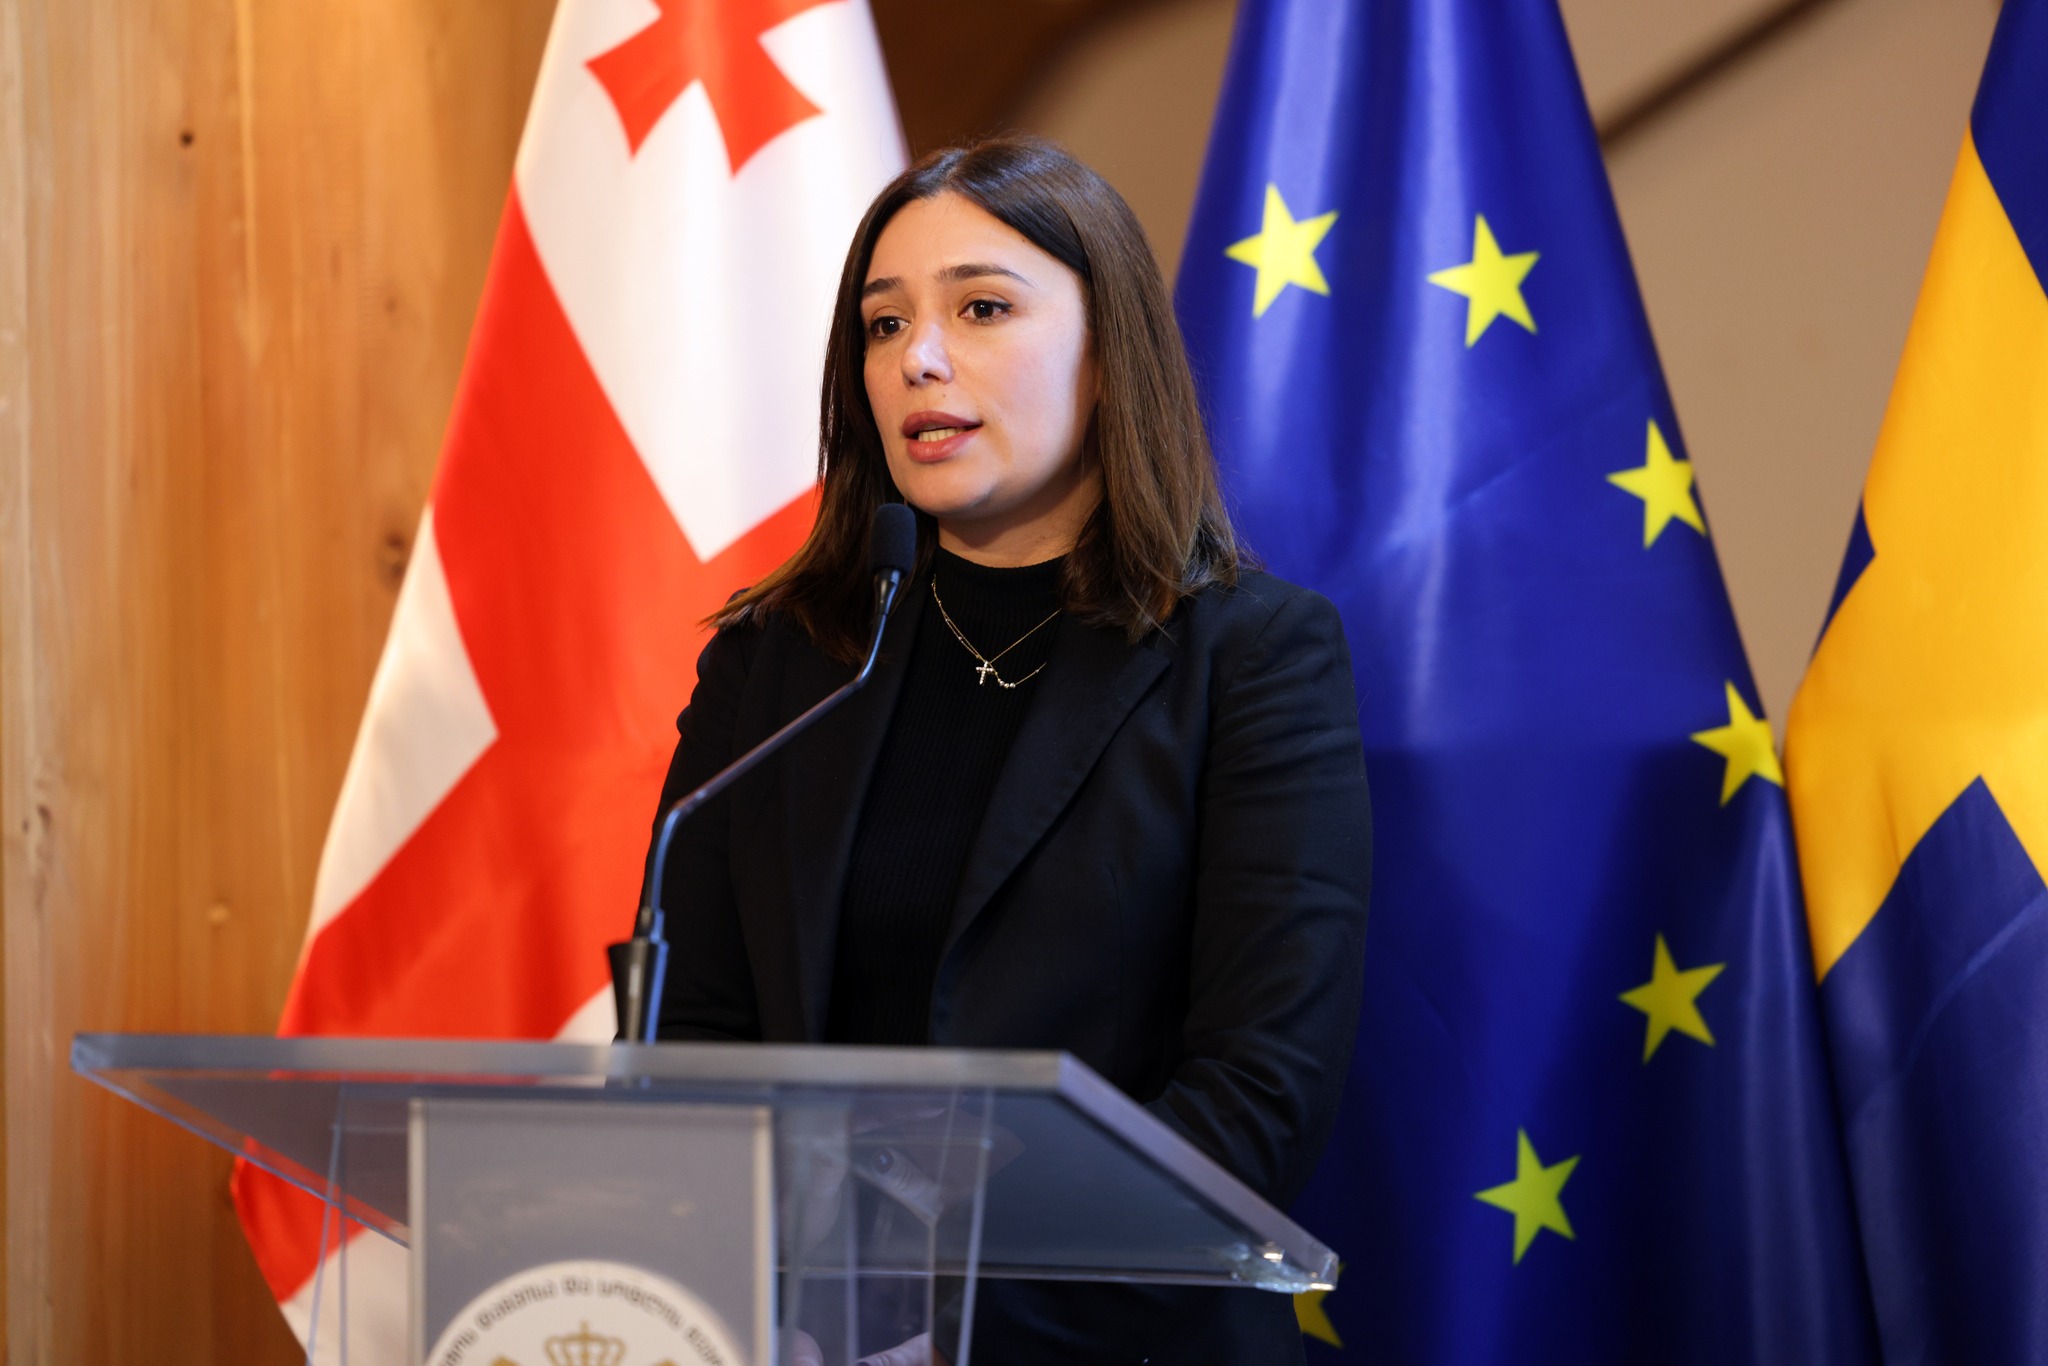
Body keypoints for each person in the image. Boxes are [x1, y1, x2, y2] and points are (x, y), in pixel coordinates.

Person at [648, 136, 1371, 1366]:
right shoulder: (779, 664)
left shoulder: (1250, 657)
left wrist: (945, 1333)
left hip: (1115, 1343)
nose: (917, 358)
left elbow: (1256, 1093)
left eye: (980, 308)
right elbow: (692, 1034)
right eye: (883, 325)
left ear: (1107, 352)